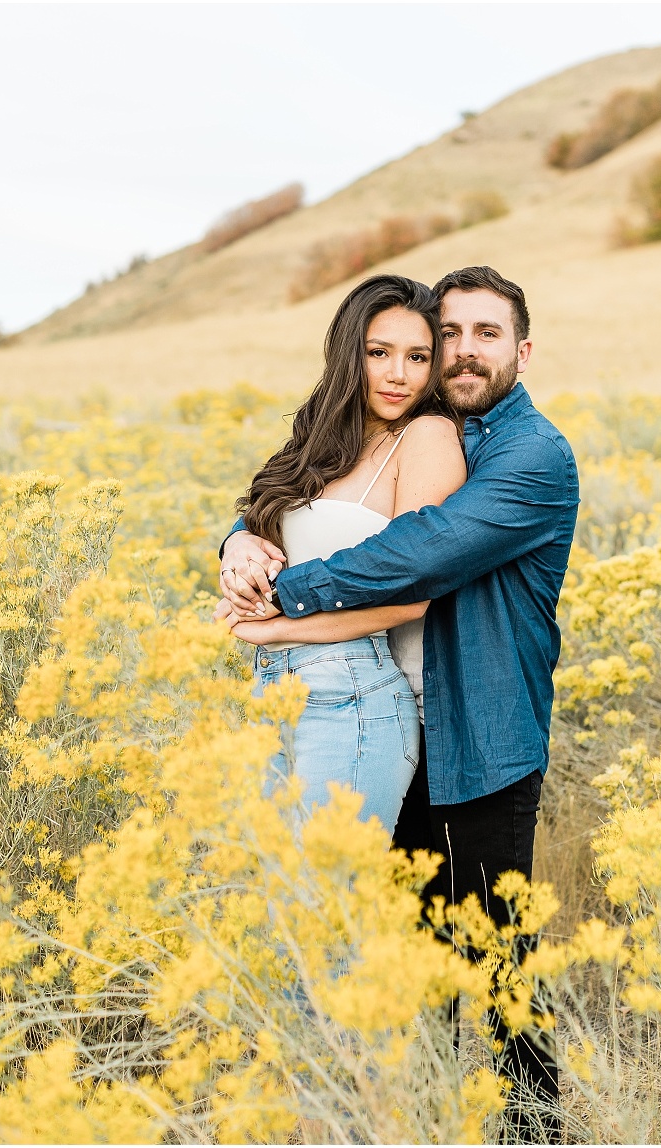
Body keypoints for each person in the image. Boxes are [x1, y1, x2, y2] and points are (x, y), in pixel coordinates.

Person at [218, 265, 579, 1142]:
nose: (457, 353)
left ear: (522, 351)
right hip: (404, 722)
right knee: (408, 963)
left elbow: (417, 555)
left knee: (497, 973)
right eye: (444, 337)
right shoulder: (410, 429)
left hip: (482, 740)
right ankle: (414, 1120)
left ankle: (534, 1133)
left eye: (482, 336)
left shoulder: (530, 456)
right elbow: (299, 499)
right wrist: (236, 541)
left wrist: (283, 605)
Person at [215, 273, 466, 836]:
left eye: (418, 357)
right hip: (269, 689)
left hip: (352, 697)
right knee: (276, 901)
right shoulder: (322, 439)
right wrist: (238, 549)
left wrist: (278, 629)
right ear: (350, 353)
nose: (399, 374)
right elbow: (263, 522)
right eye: (379, 352)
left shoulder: (426, 437)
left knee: (328, 906)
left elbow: (414, 594)